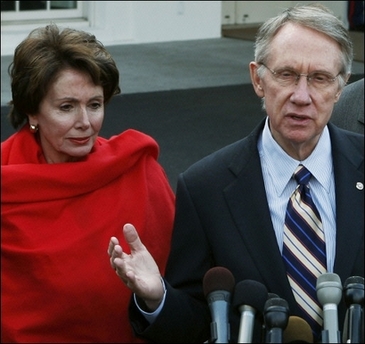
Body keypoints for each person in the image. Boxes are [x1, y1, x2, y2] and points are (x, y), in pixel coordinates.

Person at [108, 3, 364, 343]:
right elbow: (199, 319)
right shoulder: (206, 188)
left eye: (319, 78)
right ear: (258, 78)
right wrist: (157, 298)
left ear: (340, 87)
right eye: (286, 74)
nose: (301, 96)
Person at [1, 24, 175, 343]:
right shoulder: (6, 182)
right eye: (66, 107)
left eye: (94, 105)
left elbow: (183, 287)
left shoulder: (138, 169)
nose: (85, 122)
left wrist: (154, 295)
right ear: (32, 111)